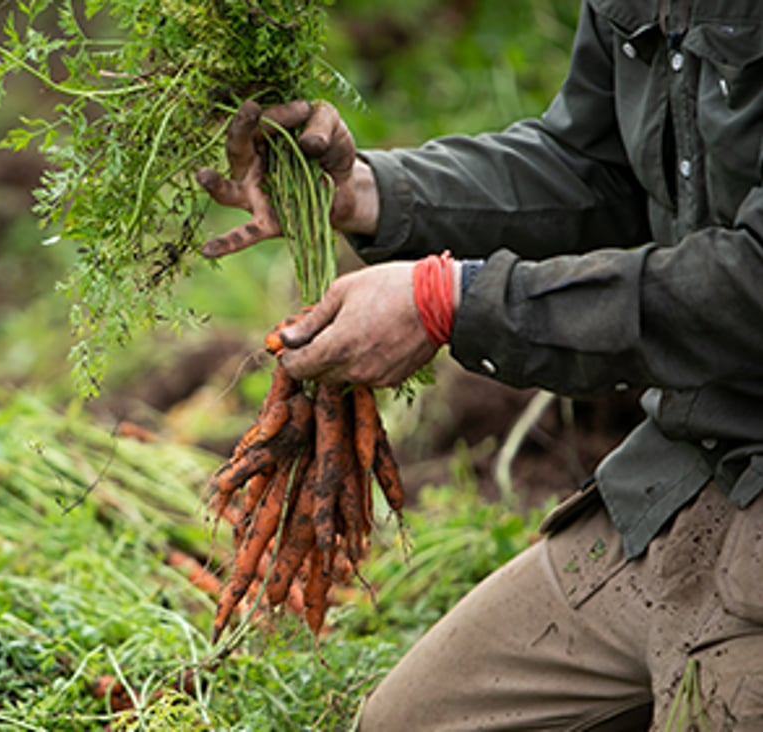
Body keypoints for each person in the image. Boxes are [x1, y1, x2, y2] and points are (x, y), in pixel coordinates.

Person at [195, 0, 763, 728]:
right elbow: (593, 171)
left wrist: (453, 303)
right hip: (684, 478)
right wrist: (369, 194)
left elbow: (749, 284)